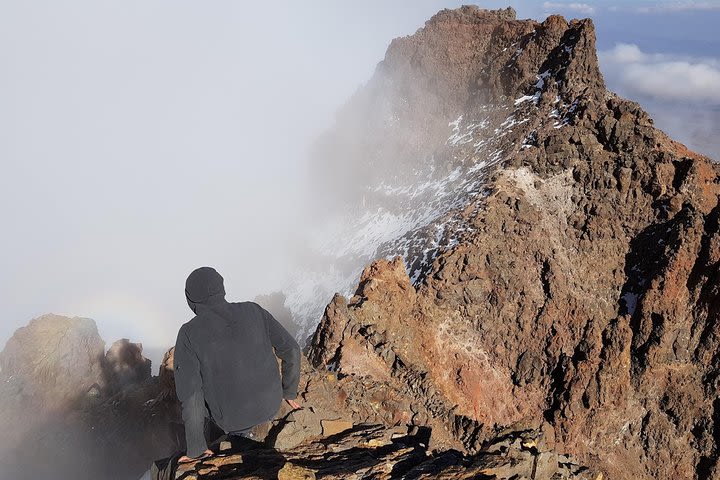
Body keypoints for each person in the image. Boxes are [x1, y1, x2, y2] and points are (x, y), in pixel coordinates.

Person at [173, 266, 302, 462]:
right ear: (222, 289)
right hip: (271, 404)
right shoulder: (254, 309)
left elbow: (192, 397)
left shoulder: (188, 334)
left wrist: (196, 448)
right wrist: (289, 392)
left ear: (189, 299)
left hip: (233, 422)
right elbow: (291, 349)